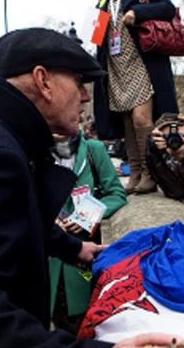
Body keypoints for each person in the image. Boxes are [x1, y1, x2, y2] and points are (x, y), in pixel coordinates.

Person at [0, 28, 184, 348]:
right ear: (43, 81)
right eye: (79, 82)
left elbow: (6, 218)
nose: (86, 96)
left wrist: (71, 247)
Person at [94, 0, 180, 195]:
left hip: (141, 61)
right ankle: (135, 172)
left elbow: (168, 9)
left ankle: (149, 173)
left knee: (141, 117)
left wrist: (137, 13)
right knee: (127, 119)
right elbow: (96, 35)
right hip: (116, 64)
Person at [49, 126, 127, 332]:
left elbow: (116, 193)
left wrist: (86, 216)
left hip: (83, 262)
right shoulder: (34, 152)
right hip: (49, 263)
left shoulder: (93, 150)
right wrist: (46, 219)